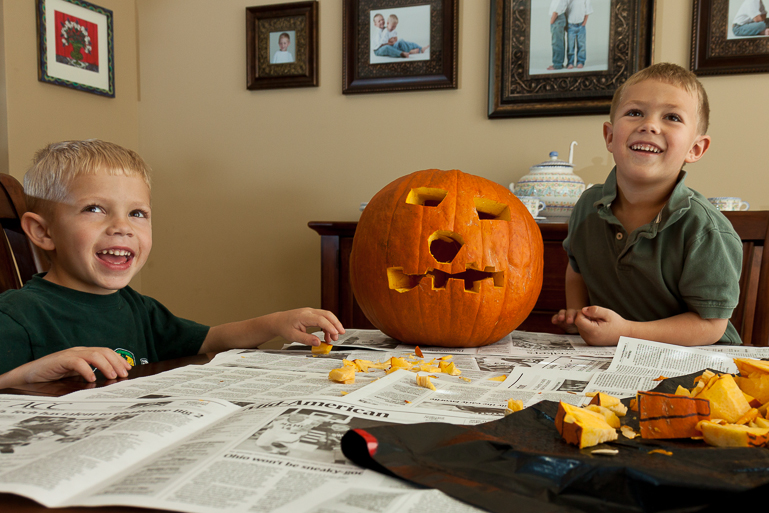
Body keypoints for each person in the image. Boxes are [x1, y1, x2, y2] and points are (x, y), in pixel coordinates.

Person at [0, 140, 344, 388]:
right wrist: (25, 374)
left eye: (137, 213)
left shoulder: (139, 309)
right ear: (43, 232)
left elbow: (209, 340)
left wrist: (277, 322)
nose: (122, 226)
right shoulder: (17, 315)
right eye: (95, 209)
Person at [551, 63, 743, 347]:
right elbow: (576, 267)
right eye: (635, 113)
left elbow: (711, 325)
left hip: (699, 359)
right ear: (610, 136)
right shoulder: (587, 205)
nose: (649, 125)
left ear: (695, 149)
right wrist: (579, 313)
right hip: (613, 355)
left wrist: (625, 332)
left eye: (672, 117)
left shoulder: (706, 230)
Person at [566, 0, 593, 69]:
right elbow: (565, 9)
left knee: (581, 45)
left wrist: (584, 22)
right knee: (570, 45)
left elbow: (588, 10)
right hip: (571, 25)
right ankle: (570, 62)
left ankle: (580, 62)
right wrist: (566, 24)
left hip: (581, 25)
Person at [547, 0, 568, 71]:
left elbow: (556, 11)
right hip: (558, 18)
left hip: (557, 19)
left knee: (557, 43)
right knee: (558, 42)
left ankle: (557, 64)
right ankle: (558, 63)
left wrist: (551, 22)